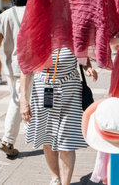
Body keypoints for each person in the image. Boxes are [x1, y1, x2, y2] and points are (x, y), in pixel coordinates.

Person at [20, 49, 98, 185]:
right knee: (47, 138)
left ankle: (66, 183)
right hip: (43, 90)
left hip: (70, 92)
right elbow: (25, 70)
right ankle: (55, 178)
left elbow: (83, 58)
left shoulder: (74, 34)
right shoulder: (37, 33)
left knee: (67, 142)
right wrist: (23, 101)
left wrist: (88, 68)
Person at [0, 0, 32, 158]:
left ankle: (30, 133)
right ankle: (8, 139)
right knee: (19, 100)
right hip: (26, 65)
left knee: (19, 98)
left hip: (9, 66)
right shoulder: (32, 13)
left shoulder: (3, 16)